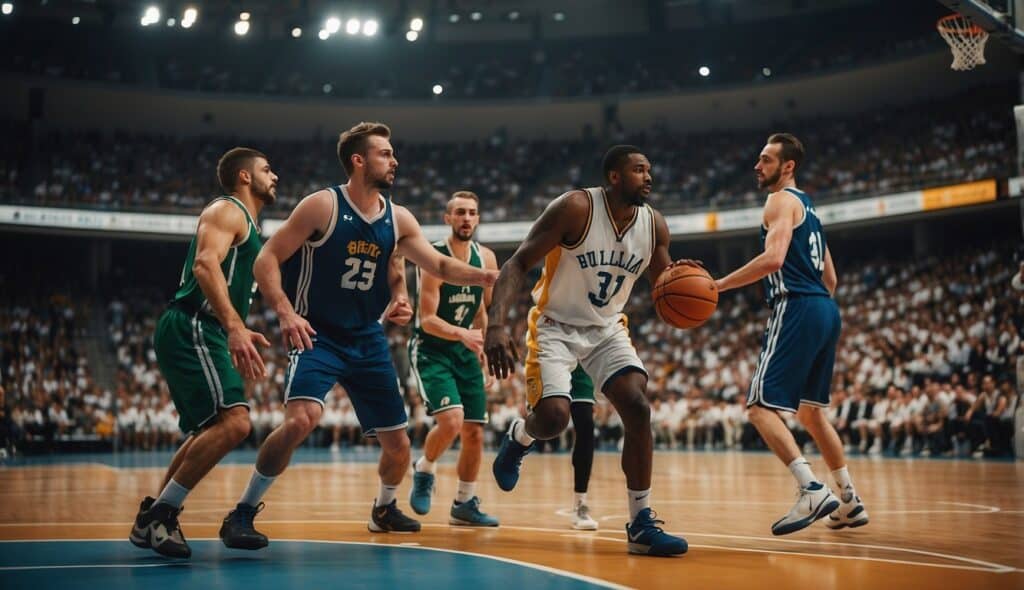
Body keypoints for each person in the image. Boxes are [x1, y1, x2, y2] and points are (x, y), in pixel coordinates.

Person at [220, 122, 498, 548]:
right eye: (385, 153)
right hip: (319, 333)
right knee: (301, 421)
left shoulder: (398, 217)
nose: (394, 161)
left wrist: (486, 274)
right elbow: (266, 259)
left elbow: (438, 267)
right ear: (358, 160)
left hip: (367, 338)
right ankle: (242, 512)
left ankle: (384, 508)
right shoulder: (322, 206)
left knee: (399, 445)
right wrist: (285, 312)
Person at [485, 145, 688, 556]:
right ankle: (520, 436)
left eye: (649, 170)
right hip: (555, 326)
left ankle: (641, 522)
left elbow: (665, 284)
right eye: (637, 170)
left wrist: (688, 286)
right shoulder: (576, 208)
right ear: (614, 177)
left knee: (637, 406)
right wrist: (496, 324)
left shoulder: (654, 225)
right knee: (555, 418)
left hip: (606, 328)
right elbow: (517, 264)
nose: (648, 177)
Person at [713, 133, 868, 535]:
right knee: (811, 413)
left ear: (788, 166)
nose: (756, 165)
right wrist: (816, 308)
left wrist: (719, 285)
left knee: (759, 408)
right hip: (824, 307)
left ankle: (811, 488)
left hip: (797, 304)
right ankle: (849, 500)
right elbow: (830, 277)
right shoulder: (810, 208)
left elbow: (774, 258)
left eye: (765, 159)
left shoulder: (779, 201)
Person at [130, 148, 278, 558]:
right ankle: (162, 514)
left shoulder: (246, 223)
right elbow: (204, 264)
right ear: (244, 177)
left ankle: (152, 518)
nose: (275, 176)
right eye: (266, 170)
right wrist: (233, 325)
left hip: (199, 324)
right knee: (236, 424)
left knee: (210, 428)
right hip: (196, 322)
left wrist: (239, 324)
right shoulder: (227, 210)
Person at [407, 190, 501, 526]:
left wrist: (486, 351)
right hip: (433, 349)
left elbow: (481, 310)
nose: (466, 218)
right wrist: (461, 333)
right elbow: (427, 318)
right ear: (448, 218)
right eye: (459, 212)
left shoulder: (486, 258)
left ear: (477, 218)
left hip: (466, 350)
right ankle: (424, 469)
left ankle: (464, 503)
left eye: (472, 213)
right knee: (452, 420)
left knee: (475, 432)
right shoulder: (433, 257)